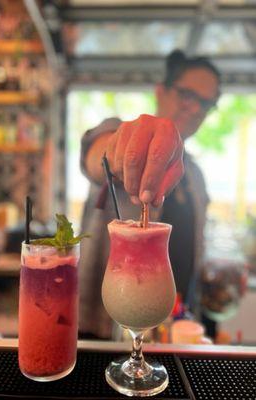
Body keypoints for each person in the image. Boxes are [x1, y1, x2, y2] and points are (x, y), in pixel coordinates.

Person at [79, 50, 221, 339]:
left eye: (206, 103)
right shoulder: (126, 136)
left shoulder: (194, 174)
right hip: (106, 330)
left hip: (174, 328)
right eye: (187, 94)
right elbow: (97, 154)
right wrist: (120, 150)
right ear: (161, 91)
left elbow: (192, 247)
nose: (195, 108)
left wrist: (214, 270)